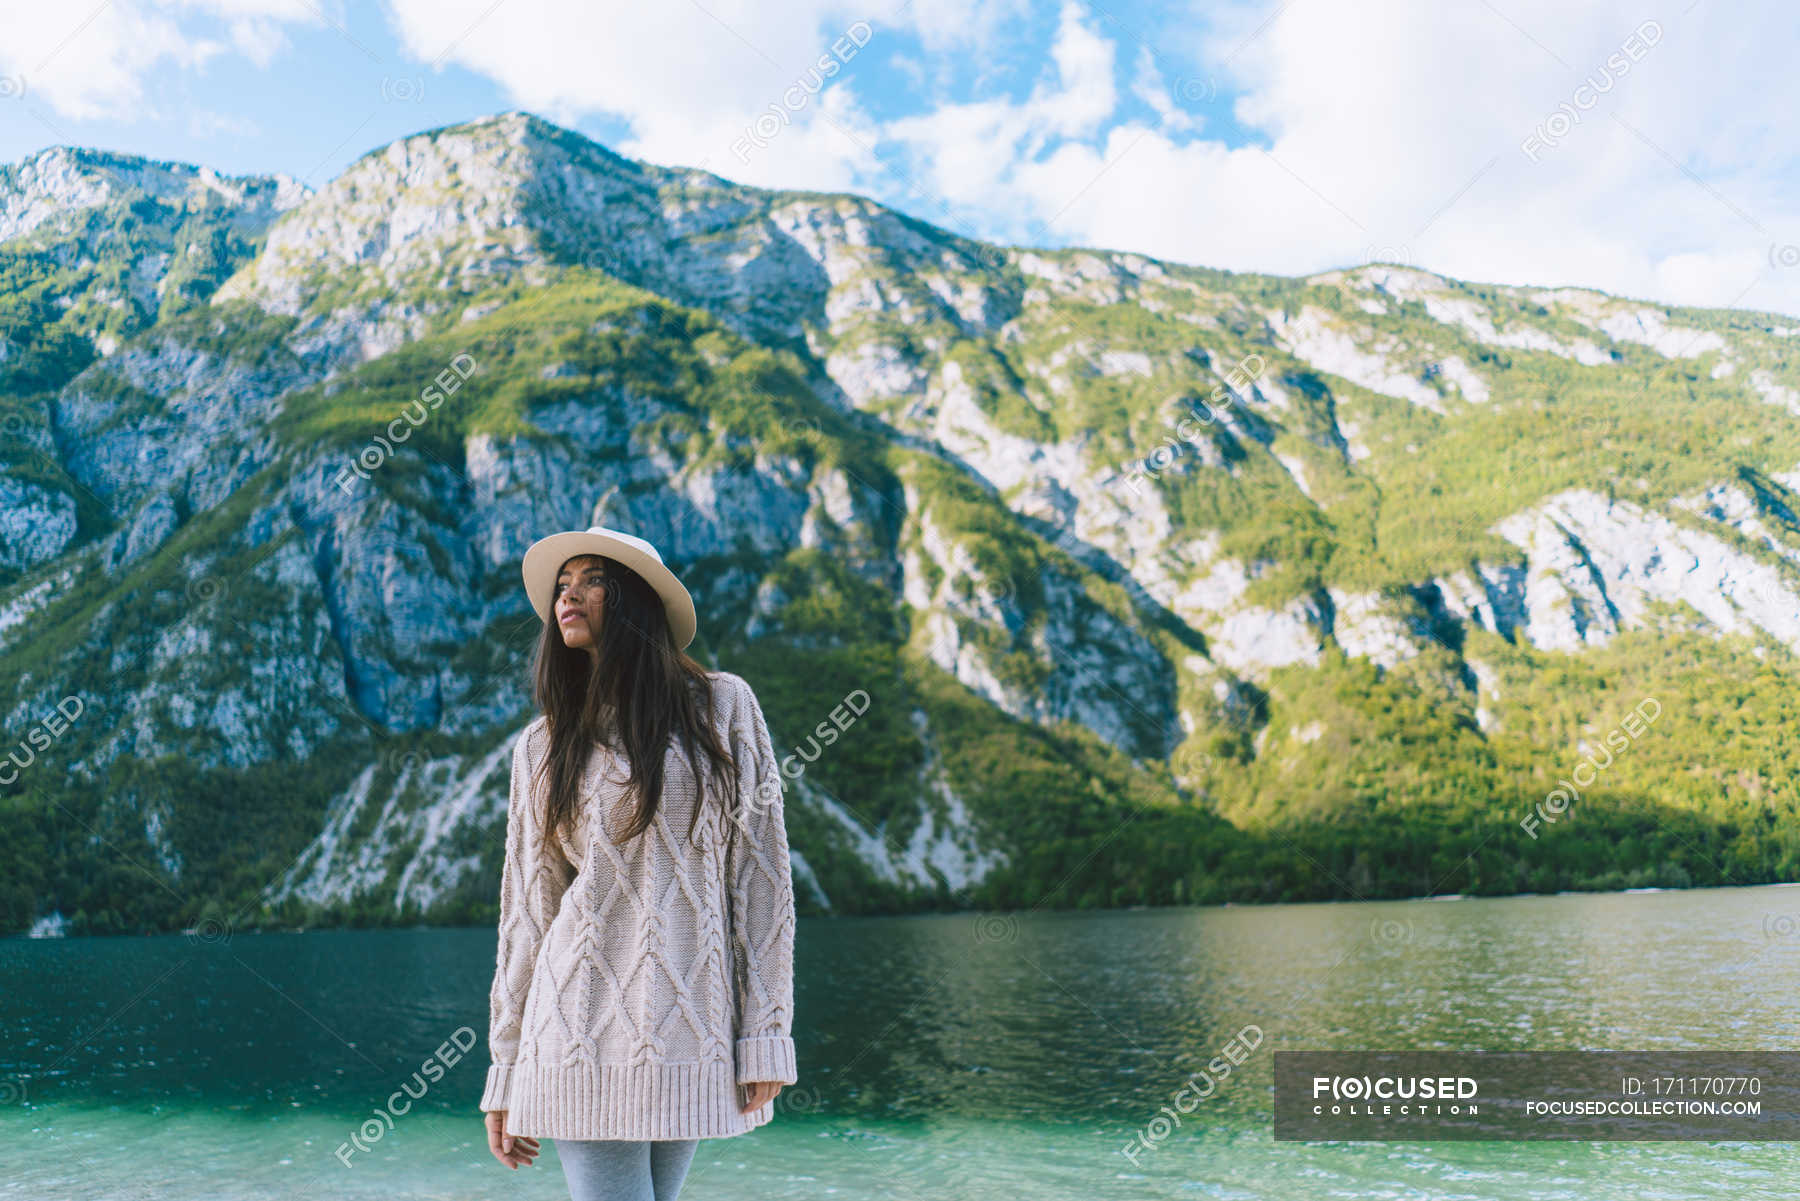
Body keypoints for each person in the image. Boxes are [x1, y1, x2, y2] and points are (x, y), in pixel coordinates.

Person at [478, 525, 799, 1201]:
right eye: (561, 585)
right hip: (577, 1032)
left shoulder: (725, 707)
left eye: (591, 579)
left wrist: (767, 1029)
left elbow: (760, 878)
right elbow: (527, 917)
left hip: (690, 1030)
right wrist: (503, 1070)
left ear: (637, 601)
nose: (568, 596)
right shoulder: (542, 745)